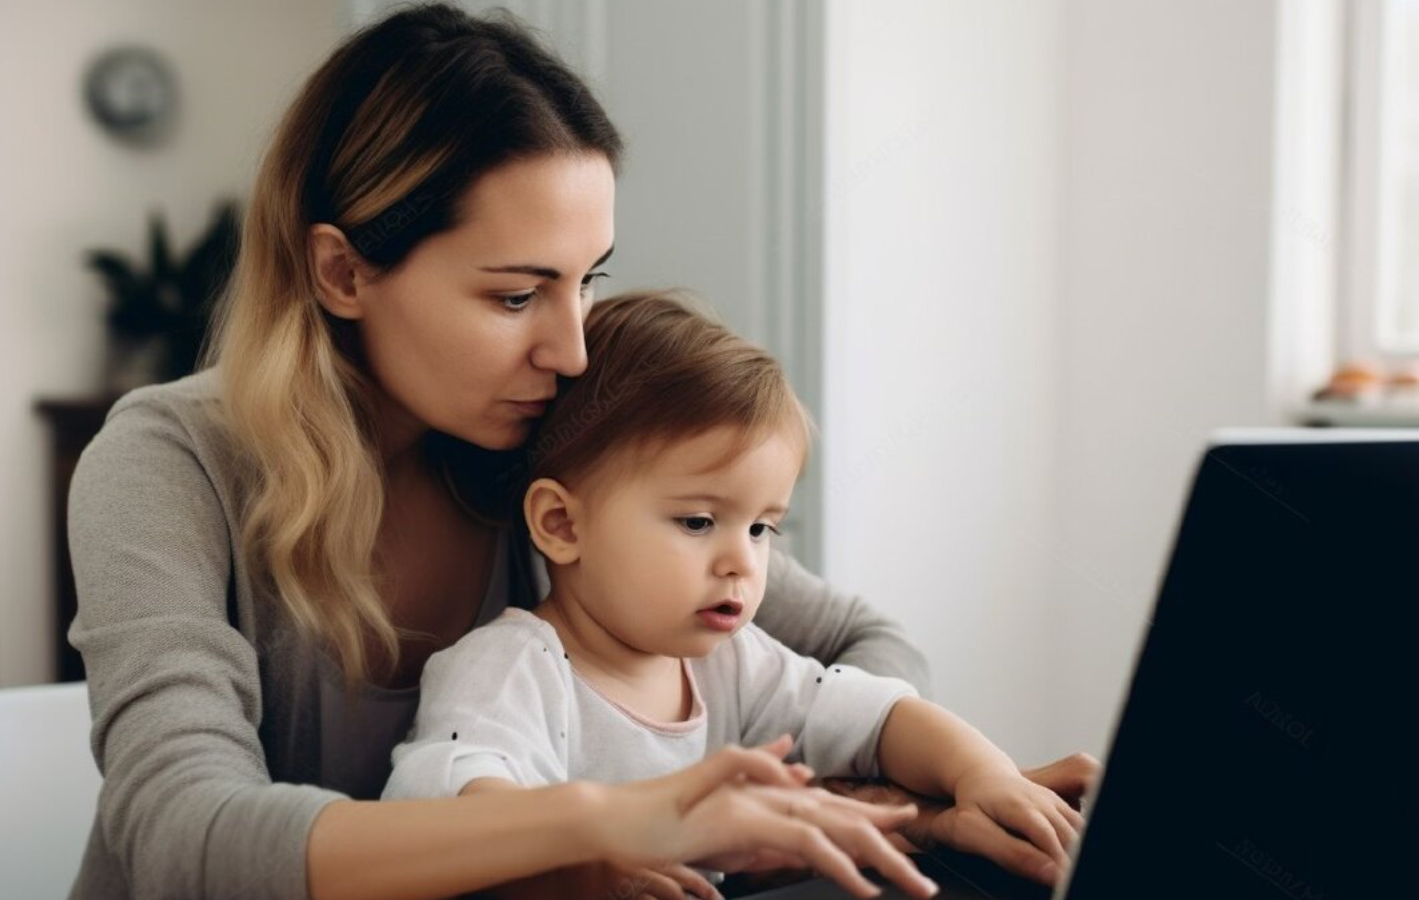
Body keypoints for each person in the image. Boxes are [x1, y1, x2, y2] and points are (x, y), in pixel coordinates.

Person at [61, 4, 1098, 899]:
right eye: (515, 295)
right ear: (341, 272)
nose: (570, 346)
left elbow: (863, 654)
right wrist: (606, 823)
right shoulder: (169, 462)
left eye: (587, 279)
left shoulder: (547, 441)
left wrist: (861, 814)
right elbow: (179, 832)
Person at [382, 294, 1084, 900]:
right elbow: (452, 807)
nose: (742, 563)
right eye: (697, 522)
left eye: (761, 527)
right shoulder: (509, 669)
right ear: (562, 524)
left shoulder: (731, 662)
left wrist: (984, 775)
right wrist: (590, 871)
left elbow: (878, 714)